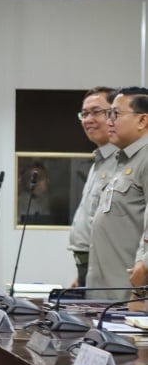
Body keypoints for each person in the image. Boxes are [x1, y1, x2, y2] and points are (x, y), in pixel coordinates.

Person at [88, 86, 148, 300]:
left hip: (130, 294)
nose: (109, 121)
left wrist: (145, 267)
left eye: (115, 114)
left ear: (142, 121)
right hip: (105, 291)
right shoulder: (124, 161)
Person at [68, 87, 117, 287]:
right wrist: (82, 277)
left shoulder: (123, 161)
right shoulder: (98, 160)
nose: (88, 119)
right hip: (88, 267)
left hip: (111, 268)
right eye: (84, 114)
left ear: (115, 115)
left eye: (96, 112)